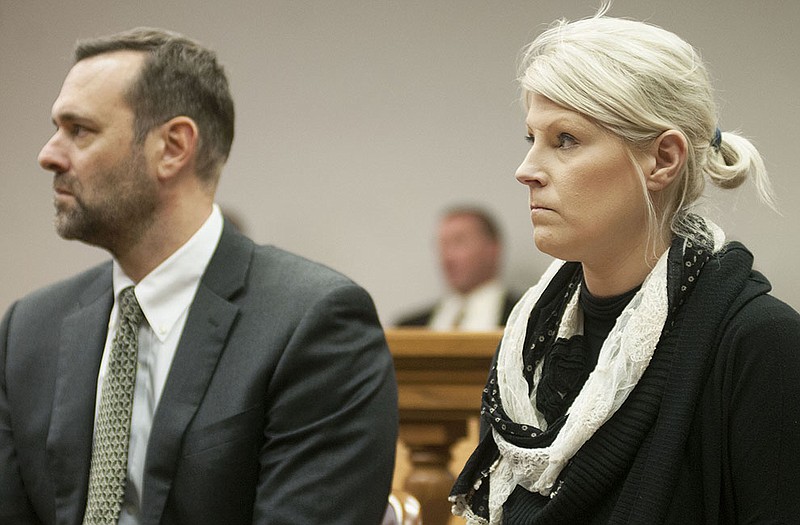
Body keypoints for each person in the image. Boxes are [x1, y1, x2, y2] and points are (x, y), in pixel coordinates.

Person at [0, 28, 397, 525]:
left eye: (79, 130)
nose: (48, 154)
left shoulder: (314, 324)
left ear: (172, 146)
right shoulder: (28, 329)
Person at [450, 8, 800, 524]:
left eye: (564, 140)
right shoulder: (528, 348)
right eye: (532, 139)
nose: (526, 171)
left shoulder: (760, 343)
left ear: (662, 159)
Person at [396, 206, 519, 330]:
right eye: (443, 245)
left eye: (458, 242)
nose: (447, 258)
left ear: (493, 249)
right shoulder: (407, 328)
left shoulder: (526, 318)